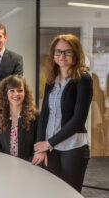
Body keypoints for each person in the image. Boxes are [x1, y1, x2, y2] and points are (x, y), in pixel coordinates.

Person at [32, 34, 93, 193]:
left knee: (70, 193)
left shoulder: (83, 79)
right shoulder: (51, 79)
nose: (62, 56)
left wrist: (49, 143)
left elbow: (78, 120)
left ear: (76, 54)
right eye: (58, 51)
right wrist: (41, 146)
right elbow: (44, 115)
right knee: (50, 191)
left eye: (67, 52)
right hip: (50, 146)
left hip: (73, 147)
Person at [0, 75, 38, 161]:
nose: (16, 94)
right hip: (5, 166)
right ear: (6, 93)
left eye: (20, 90)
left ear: (25, 93)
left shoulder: (35, 116)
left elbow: (36, 147)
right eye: (12, 90)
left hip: (28, 167)